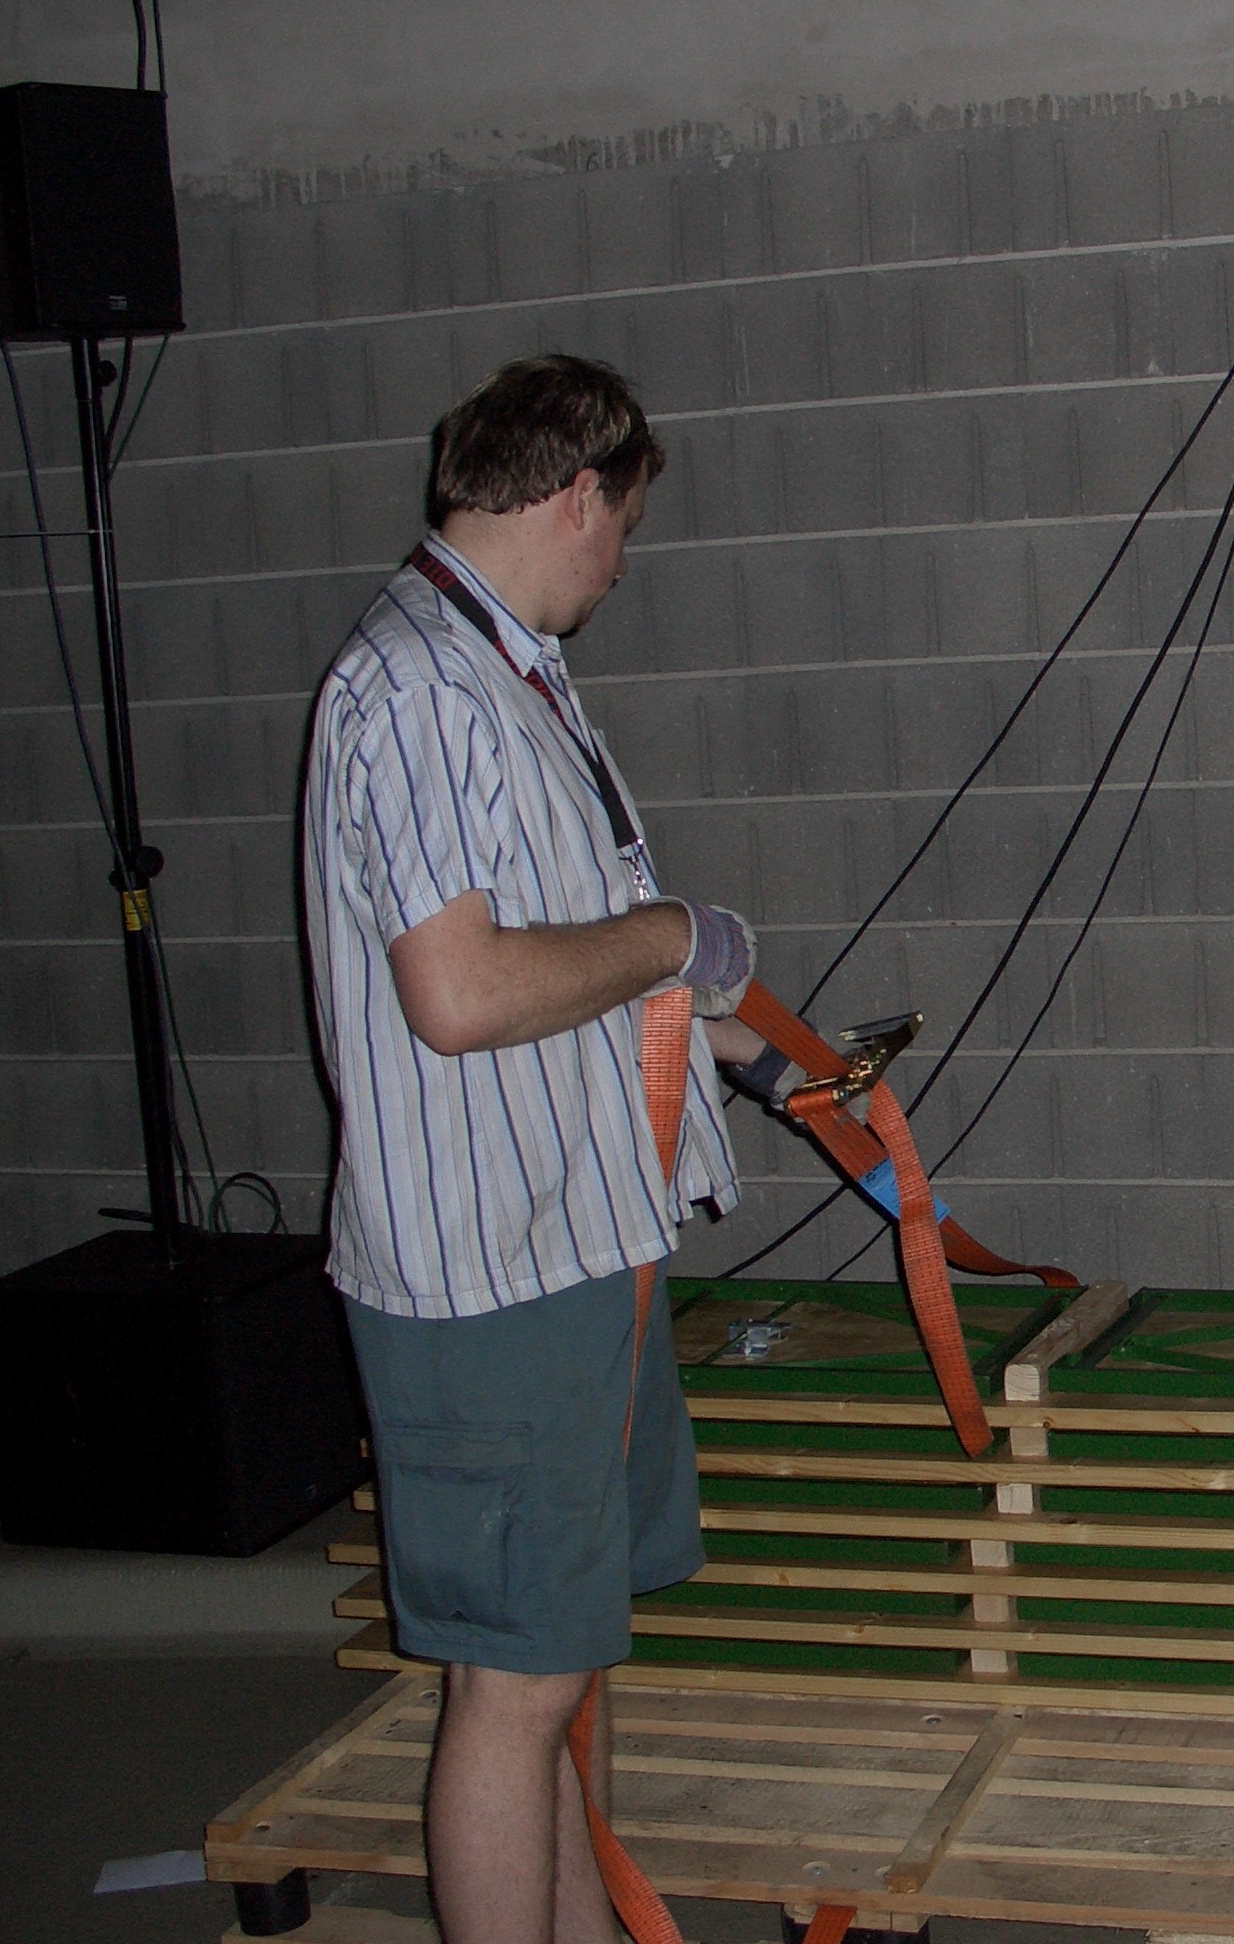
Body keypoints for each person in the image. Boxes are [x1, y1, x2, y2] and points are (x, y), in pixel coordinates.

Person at [302, 354, 799, 1944]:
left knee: (562, 1674)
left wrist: (756, 1056)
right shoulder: (418, 690)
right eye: (626, 526)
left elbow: (552, 959)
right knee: (513, 1691)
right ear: (579, 494)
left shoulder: (501, 670)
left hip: (575, 1248)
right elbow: (459, 996)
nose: (622, 564)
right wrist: (672, 936)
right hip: (490, 1278)